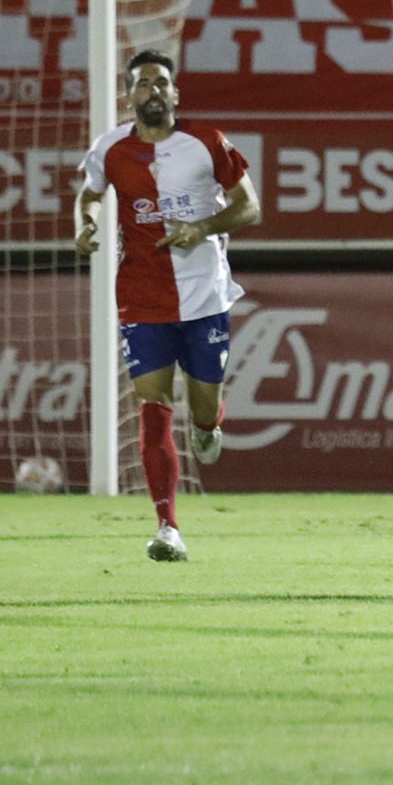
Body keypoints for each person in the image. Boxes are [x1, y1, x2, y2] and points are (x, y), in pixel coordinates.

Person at [72, 49, 262, 562]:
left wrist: (201, 227)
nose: (152, 91)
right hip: (141, 297)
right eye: (142, 83)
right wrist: (85, 224)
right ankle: (167, 527)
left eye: (161, 83)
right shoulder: (109, 148)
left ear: (175, 94)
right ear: (130, 94)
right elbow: (89, 195)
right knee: (153, 407)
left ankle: (208, 427)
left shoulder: (207, 143)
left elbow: (250, 207)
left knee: (202, 409)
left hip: (204, 296)